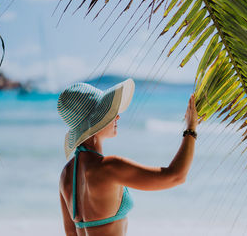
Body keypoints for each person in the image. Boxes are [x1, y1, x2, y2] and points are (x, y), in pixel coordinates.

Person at [57, 78, 198, 236]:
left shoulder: (66, 175)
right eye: (108, 113)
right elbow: (175, 176)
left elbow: (71, 233)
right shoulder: (109, 167)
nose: (117, 117)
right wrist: (190, 129)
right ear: (96, 122)